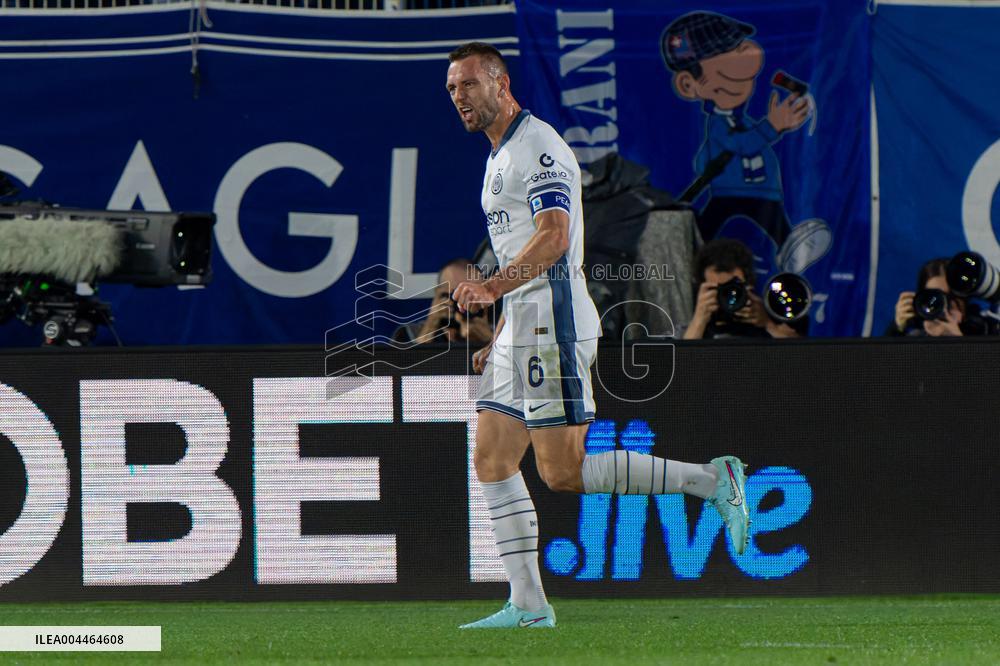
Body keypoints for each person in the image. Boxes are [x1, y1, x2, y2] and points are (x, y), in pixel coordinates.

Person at [446, 42, 751, 629]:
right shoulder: (497, 156)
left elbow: (554, 238)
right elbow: (521, 249)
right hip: (524, 326)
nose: (459, 97)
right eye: (452, 89)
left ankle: (713, 480)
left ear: (500, 84)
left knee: (562, 472)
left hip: (555, 324)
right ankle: (529, 606)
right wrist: (504, 325)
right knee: (490, 458)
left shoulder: (538, 146)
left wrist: (491, 290)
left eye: (468, 85)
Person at [661, 11, 831, 275]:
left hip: (763, 191)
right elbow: (740, 145)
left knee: (775, 223)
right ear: (688, 84)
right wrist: (772, 126)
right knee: (710, 224)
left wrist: (777, 125)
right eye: (722, 58)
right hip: (728, 190)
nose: (742, 64)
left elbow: (751, 142)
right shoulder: (718, 124)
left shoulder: (745, 120)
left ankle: (792, 250)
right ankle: (692, 262)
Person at [684, 238, 803, 339]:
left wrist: (768, 324)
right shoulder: (691, 325)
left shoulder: (767, 317)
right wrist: (699, 320)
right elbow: (680, 362)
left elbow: (802, 357)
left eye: (733, 288)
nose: (729, 296)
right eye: (718, 290)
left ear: (748, 284)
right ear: (702, 290)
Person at [392, 258, 493, 345]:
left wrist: (489, 341)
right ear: (438, 295)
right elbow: (404, 365)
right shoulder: (409, 334)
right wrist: (428, 330)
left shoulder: (503, 333)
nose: (462, 306)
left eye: (472, 297)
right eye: (455, 296)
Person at [887, 258, 992, 337]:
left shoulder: (988, 331)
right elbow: (883, 364)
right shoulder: (915, 336)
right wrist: (896, 329)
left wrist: (958, 342)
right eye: (935, 298)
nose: (945, 306)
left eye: (952, 297)